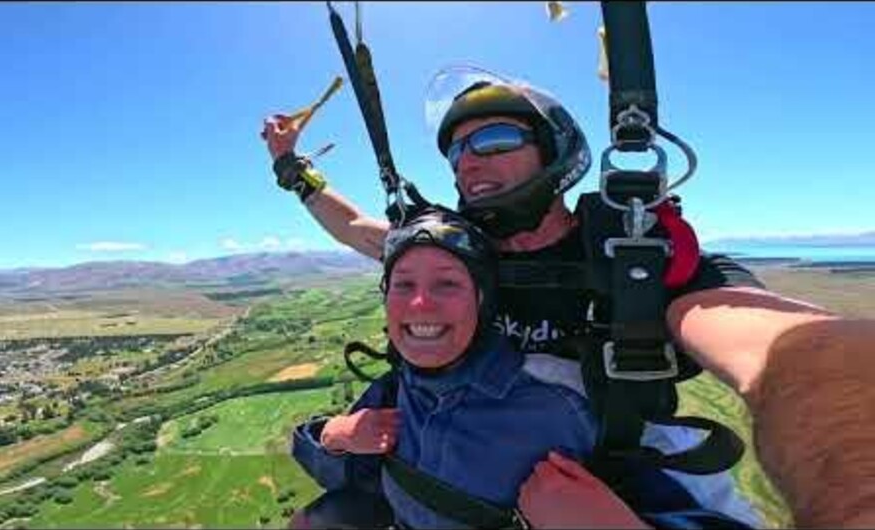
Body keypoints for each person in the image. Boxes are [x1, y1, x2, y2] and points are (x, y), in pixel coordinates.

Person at [262, 74, 875, 527]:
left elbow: (782, 348)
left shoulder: (633, 260)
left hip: (609, 492)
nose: (468, 159)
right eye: (457, 150)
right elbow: (359, 231)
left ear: (553, 151)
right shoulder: (458, 255)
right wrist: (292, 168)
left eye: (495, 138)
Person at [290, 208, 751, 529]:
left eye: (447, 284)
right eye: (403, 284)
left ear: (483, 300)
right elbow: (358, 477)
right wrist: (332, 437)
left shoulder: (563, 398)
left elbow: (722, 512)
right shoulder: (398, 386)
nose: (419, 303)